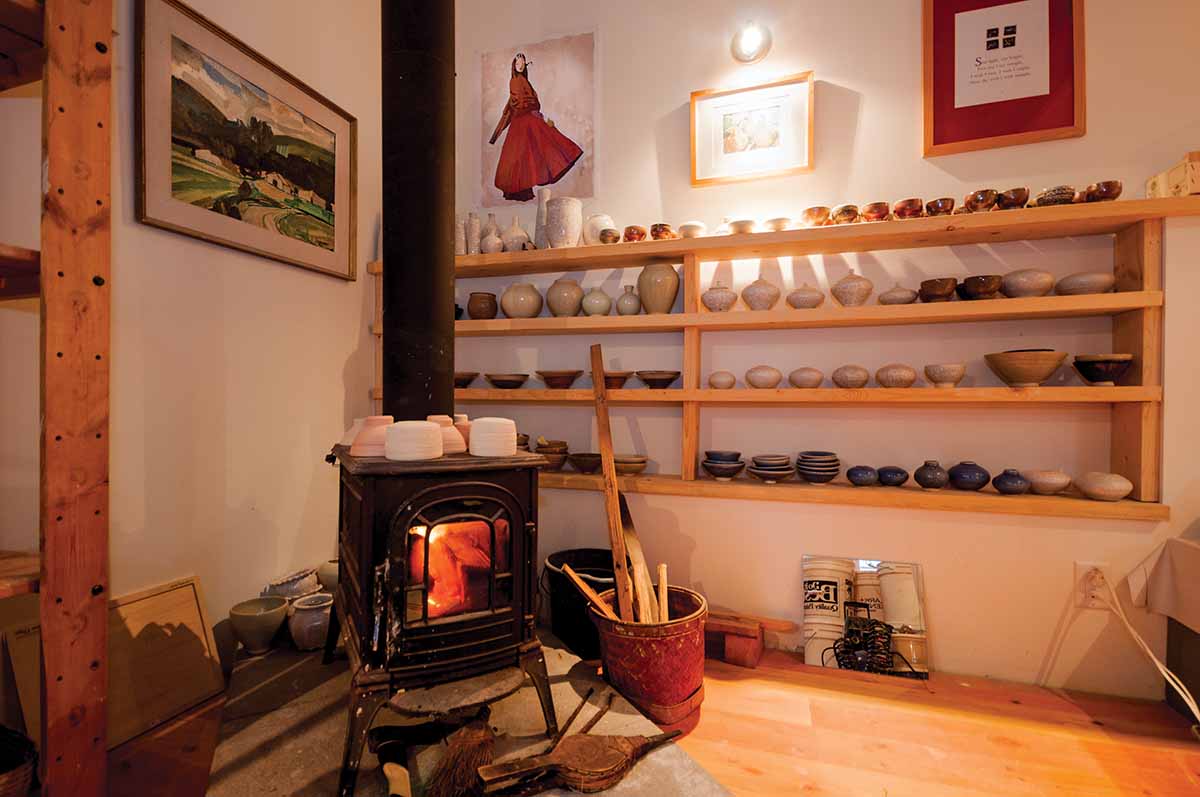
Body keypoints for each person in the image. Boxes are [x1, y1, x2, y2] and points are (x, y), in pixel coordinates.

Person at [489, 53, 583, 201]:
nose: (520, 65)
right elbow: (518, 102)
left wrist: (535, 111)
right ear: (514, 65)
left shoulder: (523, 80)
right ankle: (518, 190)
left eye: (522, 63)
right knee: (525, 153)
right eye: (517, 63)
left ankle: (521, 190)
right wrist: (532, 110)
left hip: (527, 119)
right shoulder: (515, 81)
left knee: (529, 153)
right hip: (523, 121)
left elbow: (525, 101)